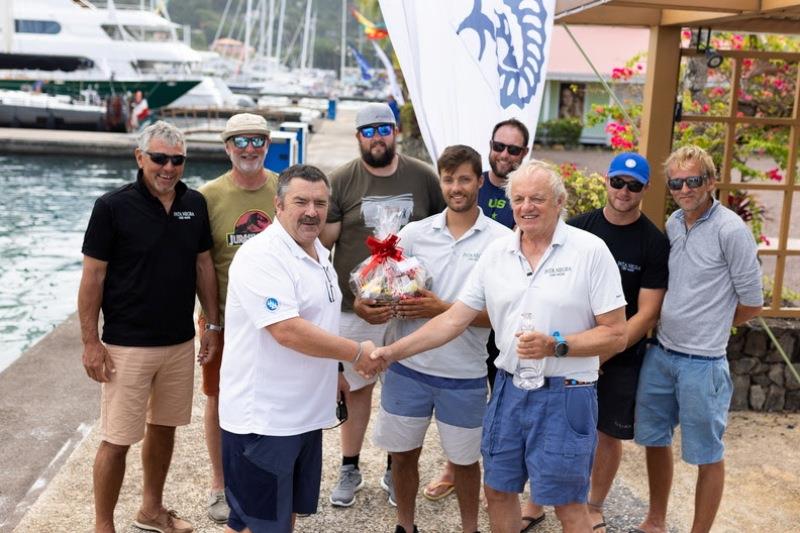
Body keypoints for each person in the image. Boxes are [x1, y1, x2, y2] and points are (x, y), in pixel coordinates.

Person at [369, 160, 628, 533]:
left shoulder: (590, 251)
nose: (527, 207)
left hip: (567, 393)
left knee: (569, 505)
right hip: (508, 389)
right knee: (498, 491)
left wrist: (557, 346)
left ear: (560, 201)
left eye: (537, 198)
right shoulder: (498, 253)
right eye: (519, 198)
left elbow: (615, 334)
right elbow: (454, 318)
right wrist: (392, 353)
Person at [218, 164, 382, 533]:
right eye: (301, 202)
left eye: (320, 203)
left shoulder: (318, 252)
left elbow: (319, 318)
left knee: (276, 516)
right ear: (278, 205)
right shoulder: (263, 255)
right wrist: (355, 353)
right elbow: (288, 331)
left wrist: (336, 372)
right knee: (260, 524)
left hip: (303, 416)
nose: (312, 211)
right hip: (264, 419)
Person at [79, 120, 219, 533]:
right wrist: (91, 342)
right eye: (159, 158)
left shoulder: (194, 202)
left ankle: (151, 511)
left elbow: (203, 265)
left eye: (177, 160)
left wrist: (211, 324)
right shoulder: (112, 207)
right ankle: (103, 525)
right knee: (117, 438)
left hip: (178, 342)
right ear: (140, 158)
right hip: (127, 344)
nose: (168, 167)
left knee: (164, 428)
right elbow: (93, 278)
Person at [372, 145, 511, 533]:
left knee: (466, 463)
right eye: (448, 179)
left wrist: (440, 308)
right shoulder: (414, 234)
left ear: (480, 182)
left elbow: (502, 317)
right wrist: (377, 299)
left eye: (465, 178)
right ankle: (406, 525)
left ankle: (469, 529)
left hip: (464, 374)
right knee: (402, 457)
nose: (456, 187)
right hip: (408, 369)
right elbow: (383, 289)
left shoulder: (501, 242)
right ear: (441, 181)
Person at [320, 102, 446, 508]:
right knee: (357, 389)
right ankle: (349, 466)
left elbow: (444, 233)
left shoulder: (423, 176)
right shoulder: (341, 180)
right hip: (355, 309)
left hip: (410, 309)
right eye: (369, 131)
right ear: (358, 137)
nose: (378, 138)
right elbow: (324, 246)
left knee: (403, 393)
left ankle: (397, 469)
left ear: (396, 132)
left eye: (384, 129)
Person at [632, 145, 762, 533]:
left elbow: (752, 304)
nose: (684, 189)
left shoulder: (731, 230)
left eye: (693, 180)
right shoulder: (673, 222)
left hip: (703, 364)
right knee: (654, 440)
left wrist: (715, 325)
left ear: (711, 181)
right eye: (676, 182)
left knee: (707, 454)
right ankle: (656, 519)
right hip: (662, 353)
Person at [423, 118, 531, 512]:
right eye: (499, 146)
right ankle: (455, 468)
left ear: (524, 154)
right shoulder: (468, 181)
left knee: (507, 401)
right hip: (464, 313)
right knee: (465, 401)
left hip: (503, 315)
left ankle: (501, 481)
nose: (505, 155)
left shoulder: (527, 191)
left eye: (514, 149)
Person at [567, 152, 669, 533]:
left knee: (608, 432)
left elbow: (647, 313)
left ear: (645, 189)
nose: (624, 191)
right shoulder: (577, 229)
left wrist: (609, 346)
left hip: (622, 355)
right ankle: (538, 499)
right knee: (560, 423)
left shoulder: (654, 243)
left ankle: (594, 504)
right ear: (606, 181)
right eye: (618, 182)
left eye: (634, 185)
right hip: (574, 348)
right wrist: (581, 346)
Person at [197, 113, 278, 524]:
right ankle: (220, 483)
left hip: (279, 319)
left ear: (267, 144)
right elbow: (202, 262)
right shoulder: (208, 196)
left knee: (272, 394)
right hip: (224, 319)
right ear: (227, 147)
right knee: (217, 397)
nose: (249, 148)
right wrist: (212, 322)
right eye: (240, 141)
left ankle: (264, 474)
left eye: (257, 140)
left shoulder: (285, 189)